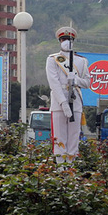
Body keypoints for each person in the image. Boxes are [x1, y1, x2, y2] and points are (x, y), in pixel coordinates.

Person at [45, 26, 90, 165]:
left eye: (68, 39)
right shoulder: (53, 59)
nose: (66, 41)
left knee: (73, 137)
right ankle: (60, 167)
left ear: (73, 41)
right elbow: (54, 83)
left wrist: (75, 80)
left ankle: (71, 167)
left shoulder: (82, 61)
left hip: (75, 101)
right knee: (59, 137)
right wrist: (63, 103)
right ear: (59, 41)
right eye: (63, 39)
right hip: (59, 102)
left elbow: (87, 83)